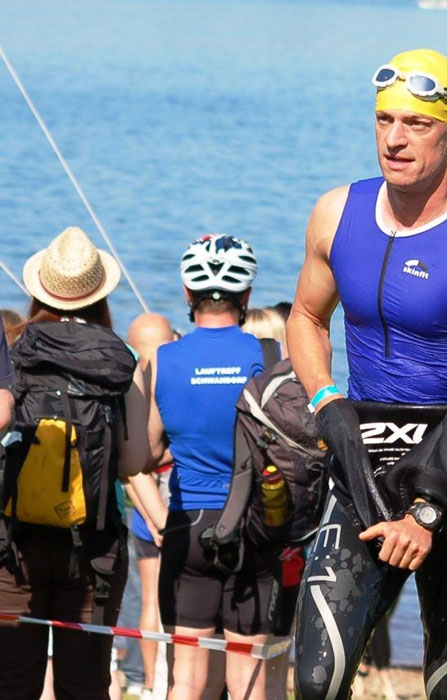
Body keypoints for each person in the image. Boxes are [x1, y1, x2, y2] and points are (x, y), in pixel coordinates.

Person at [287, 48, 447, 700]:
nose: (394, 140)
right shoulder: (336, 213)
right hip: (364, 464)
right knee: (315, 682)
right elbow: (306, 318)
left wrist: (426, 513)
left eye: (417, 124)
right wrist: (326, 400)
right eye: (385, 120)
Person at [0, 226, 149, 700]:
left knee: (12, 681)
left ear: (39, 290)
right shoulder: (120, 358)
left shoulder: (13, 350)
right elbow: (134, 461)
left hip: (14, 544)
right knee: (83, 684)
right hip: (94, 544)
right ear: (100, 294)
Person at [145, 234, 275, 700]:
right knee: (247, 680)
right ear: (246, 295)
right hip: (254, 523)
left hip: (189, 524)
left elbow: (142, 454)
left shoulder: (162, 359)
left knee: (186, 679)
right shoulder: (271, 357)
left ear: (187, 292)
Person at [126, 312, 176, 700]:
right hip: (173, 504)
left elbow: (130, 465)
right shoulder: (171, 380)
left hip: (143, 506)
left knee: (149, 600)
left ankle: (147, 683)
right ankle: (172, 678)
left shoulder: (130, 385)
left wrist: (147, 514)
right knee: (176, 604)